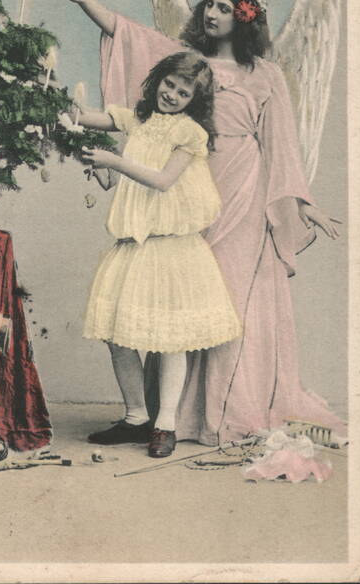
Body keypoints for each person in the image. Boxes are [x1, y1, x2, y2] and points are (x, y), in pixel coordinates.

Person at [44, 0, 346, 446]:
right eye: (210, 3)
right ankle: (162, 416)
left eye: (225, 8)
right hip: (184, 193)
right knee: (178, 301)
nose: (212, 13)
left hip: (242, 191)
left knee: (224, 303)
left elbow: (282, 143)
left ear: (244, 18)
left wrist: (301, 204)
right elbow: (127, 35)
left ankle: (217, 412)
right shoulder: (186, 62)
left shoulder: (266, 75)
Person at [73, 50, 241, 458]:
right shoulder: (139, 119)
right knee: (117, 336)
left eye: (183, 92)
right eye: (169, 84)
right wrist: (76, 122)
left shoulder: (190, 134)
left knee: (171, 341)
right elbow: (91, 123)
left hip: (173, 249)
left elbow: (163, 181)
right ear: (158, 80)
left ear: (193, 101)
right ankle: (135, 417)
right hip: (135, 245)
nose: (172, 94)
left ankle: (165, 423)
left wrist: (113, 158)